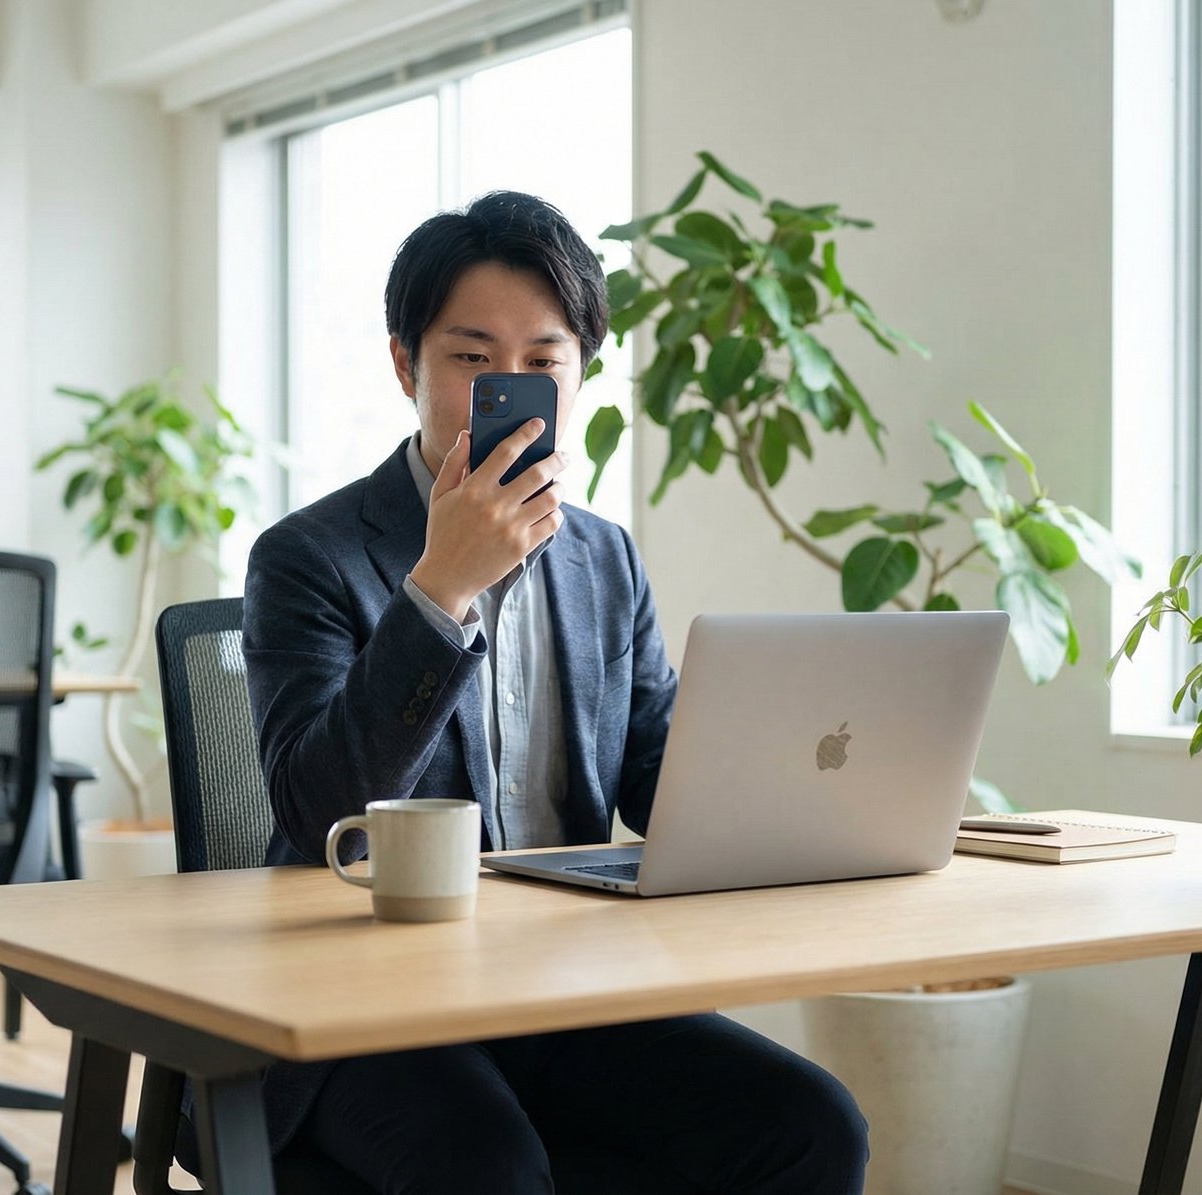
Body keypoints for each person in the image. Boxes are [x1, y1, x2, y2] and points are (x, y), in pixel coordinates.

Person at [242, 190, 869, 1193]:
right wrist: (441, 586)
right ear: (405, 364)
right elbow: (318, 806)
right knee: (488, 1163)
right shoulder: (309, 557)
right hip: (363, 1006)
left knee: (810, 1125)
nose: (510, 385)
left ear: (580, 373)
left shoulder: (603, 560)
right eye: (471, 357)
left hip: (564, 988)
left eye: (544, 361)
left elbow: (659, 782)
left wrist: (809, 799)